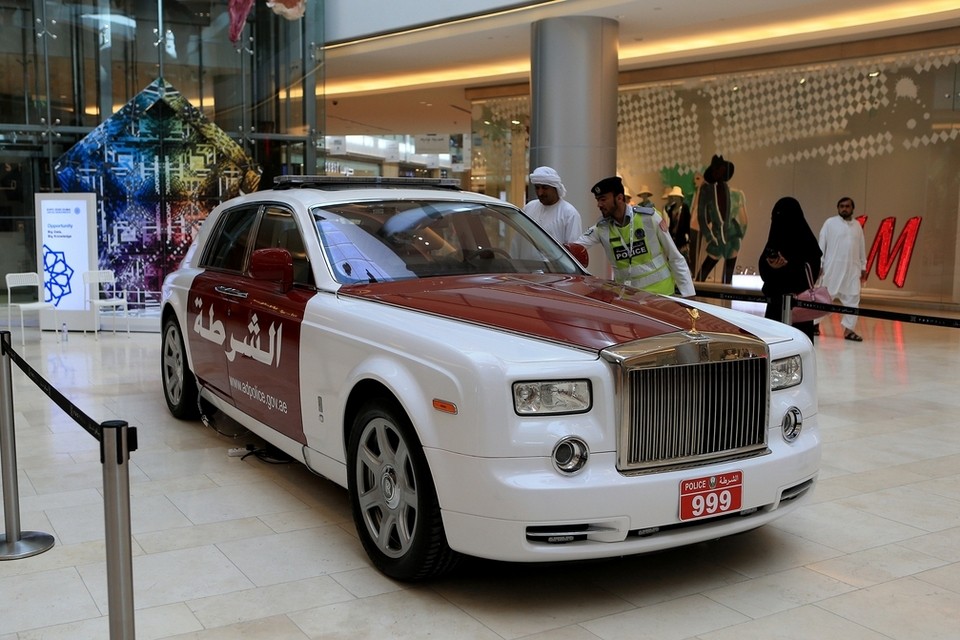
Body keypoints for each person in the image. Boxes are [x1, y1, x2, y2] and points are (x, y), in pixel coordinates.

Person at [571, 176, 695, 296]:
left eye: (603, 199)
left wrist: (689, 294)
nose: (599, 205)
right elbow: (575, 247)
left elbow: (675, 257)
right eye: (597, 200)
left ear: (619, 198)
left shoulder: (649, 218)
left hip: (661, 296)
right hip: (629, 300)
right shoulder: (601, 228)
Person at [758, 197, 823, 341]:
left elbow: (811, 272)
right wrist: (772, 267)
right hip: (775, 304)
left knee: (798, 347)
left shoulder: (808, 244)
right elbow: (763, 270)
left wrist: (787, 266)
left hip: (799, 306)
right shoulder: (774, 240)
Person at [818, 196, 867, 341]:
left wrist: (863, 266)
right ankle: (814, 324)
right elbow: (822, 245)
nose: (844, 208)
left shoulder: (857, 226)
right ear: (838, 208)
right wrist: (820, 264)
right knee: (824, 298)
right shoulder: (830, 223)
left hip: (852, 270)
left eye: (847, 206)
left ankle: (849, 330)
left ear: (852, 209)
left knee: (853, 299)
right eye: (841, 206)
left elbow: (861, 248)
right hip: (832, 269)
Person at [695, 155, 748, 283]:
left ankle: (722, 302)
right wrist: (710, 236)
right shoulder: (707, 191)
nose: (719, 173)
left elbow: (744, 220)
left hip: (730, 237)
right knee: (705, 275)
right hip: (720, 237)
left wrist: (739, 236)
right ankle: (698, 300)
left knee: (724, 279)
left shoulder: (736, 194)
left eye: (721, 170)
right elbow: (701, 216)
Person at [522, 166, 583, 243]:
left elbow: (573, 248)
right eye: (537, 188)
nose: (540, 193)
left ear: (555, 188)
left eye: (545, 188)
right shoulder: (529, 207)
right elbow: (519, 241)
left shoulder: (569, 213)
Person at [662, 185, 691, 268]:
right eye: (674, 196)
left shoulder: (684, 207)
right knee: (674, 254)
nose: (675, 198)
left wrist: (688, 235)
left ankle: (686, 271)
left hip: (682, 234)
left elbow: (687, 221)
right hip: (673, 234)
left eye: (676, 196)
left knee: (683, 254)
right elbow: (669, 219)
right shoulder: (671, 208)